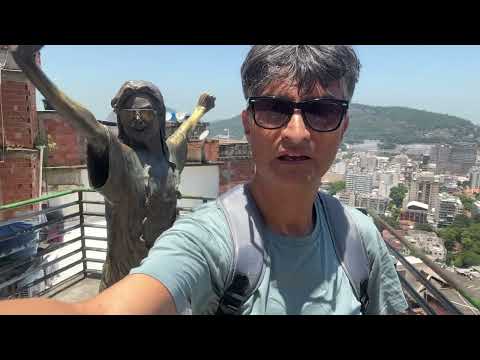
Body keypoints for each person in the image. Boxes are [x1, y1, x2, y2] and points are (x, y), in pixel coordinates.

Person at [0, 45, 408, 315]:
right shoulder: (211, 238)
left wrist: (198, 109)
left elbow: (186, 131)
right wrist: (33, 71)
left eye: (321, 111)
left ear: (344, 125)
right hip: (129, 271)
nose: (297, 133)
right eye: (273, 109)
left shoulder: (360, 239)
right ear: (248, 124)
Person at [8, 45, 215, 292]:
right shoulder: (119, 157)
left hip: (166, 281)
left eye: (146, 113)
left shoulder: (171, 153)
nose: (137, 119)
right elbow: (85, 122)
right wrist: (28, 64)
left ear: (159, 116)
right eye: (130, 114)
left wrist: (201, 109)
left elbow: (186, 128)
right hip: (120, 286)